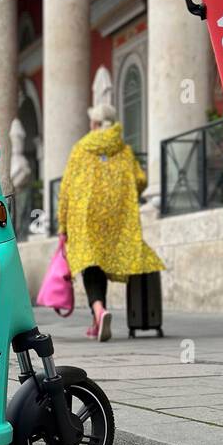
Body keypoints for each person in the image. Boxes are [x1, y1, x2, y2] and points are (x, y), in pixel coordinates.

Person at [58, 102, 162, 341]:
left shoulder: (81, 149)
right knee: (102, 263)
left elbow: (66, 190)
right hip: (116, 216)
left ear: (94, 124)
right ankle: (98, 321)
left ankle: (99, 310)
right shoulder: (123, 149)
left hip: (84, 216)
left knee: (90, 264)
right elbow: (141, 180)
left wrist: (62, 224)